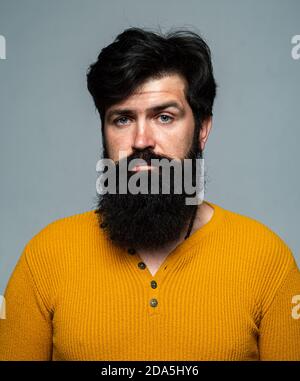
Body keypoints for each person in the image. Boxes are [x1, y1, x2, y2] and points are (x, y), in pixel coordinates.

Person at [0, 27, 299, 361]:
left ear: (201, 130)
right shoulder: (45, 258)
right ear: (104, 131)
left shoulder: (267, 261)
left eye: (164, 117)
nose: (142, 139)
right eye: (123, 119)